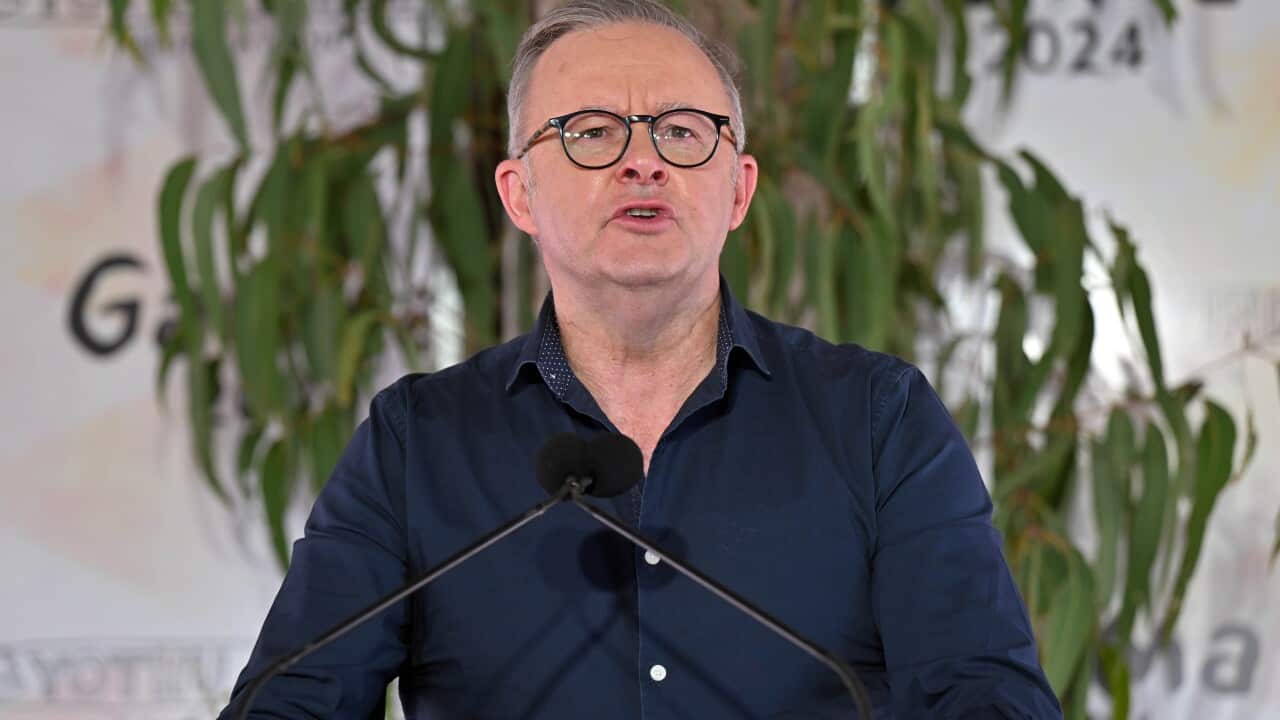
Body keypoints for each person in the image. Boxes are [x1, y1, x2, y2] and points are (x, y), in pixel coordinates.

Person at [220, 1, 1063, 717]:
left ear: (738, 190)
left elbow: (984, 697)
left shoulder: (878, 419)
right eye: (589, 132)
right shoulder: (416, 442)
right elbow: (291, 703)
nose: (643, 160)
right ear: (520, 195)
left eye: (683, 131)